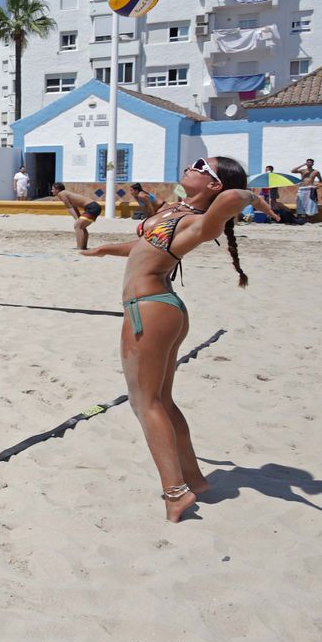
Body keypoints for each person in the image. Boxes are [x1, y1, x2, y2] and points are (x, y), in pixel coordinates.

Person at [81, 157, 275, 521]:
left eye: (202, 166)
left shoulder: (199, 220)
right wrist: (108, 249)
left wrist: (254, 197)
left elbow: (232, 198)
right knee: (163, 401)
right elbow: (147, 247)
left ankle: (176, 492)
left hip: (151, 309)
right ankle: (194, 479)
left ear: (214, 185)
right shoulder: (176, 210)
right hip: (159, 308)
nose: (192, 166)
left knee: (145, 403)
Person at [51, 183, 102, 250]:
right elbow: (74, 207)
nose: (51, 191)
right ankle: (83, 247)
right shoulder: (65, 193)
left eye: (53, 189)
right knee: (82, 226)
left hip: (92, 207)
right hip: (94, 207)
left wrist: (77, 219)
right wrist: (78, 218)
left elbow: (69, 207)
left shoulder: (61, 194)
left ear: (57, 189)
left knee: (77, 226)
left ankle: (79, 247)